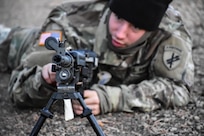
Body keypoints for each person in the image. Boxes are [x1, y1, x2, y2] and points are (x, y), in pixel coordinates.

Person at [0, 0, 194, 115]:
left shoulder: (169, 33)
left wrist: (114, 99)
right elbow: (18, 90)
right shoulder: (68, 21)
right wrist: (45, 78)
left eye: (135, 27)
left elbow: (177, 88)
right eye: (118, 18)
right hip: (16, 44)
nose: (120, 33)